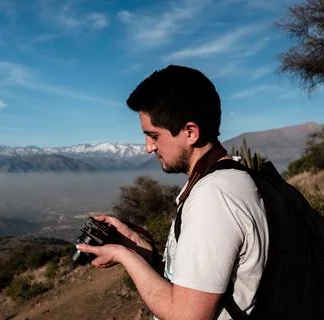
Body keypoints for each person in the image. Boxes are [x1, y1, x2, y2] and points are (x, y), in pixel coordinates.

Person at [76, 65, 269, 320]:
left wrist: (121, 255)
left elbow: (185, 316)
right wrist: (137, 248)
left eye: (153, 135)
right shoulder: (229, 179)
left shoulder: (214, 197)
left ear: (190, 132)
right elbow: (199, 282)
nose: (148, 147)